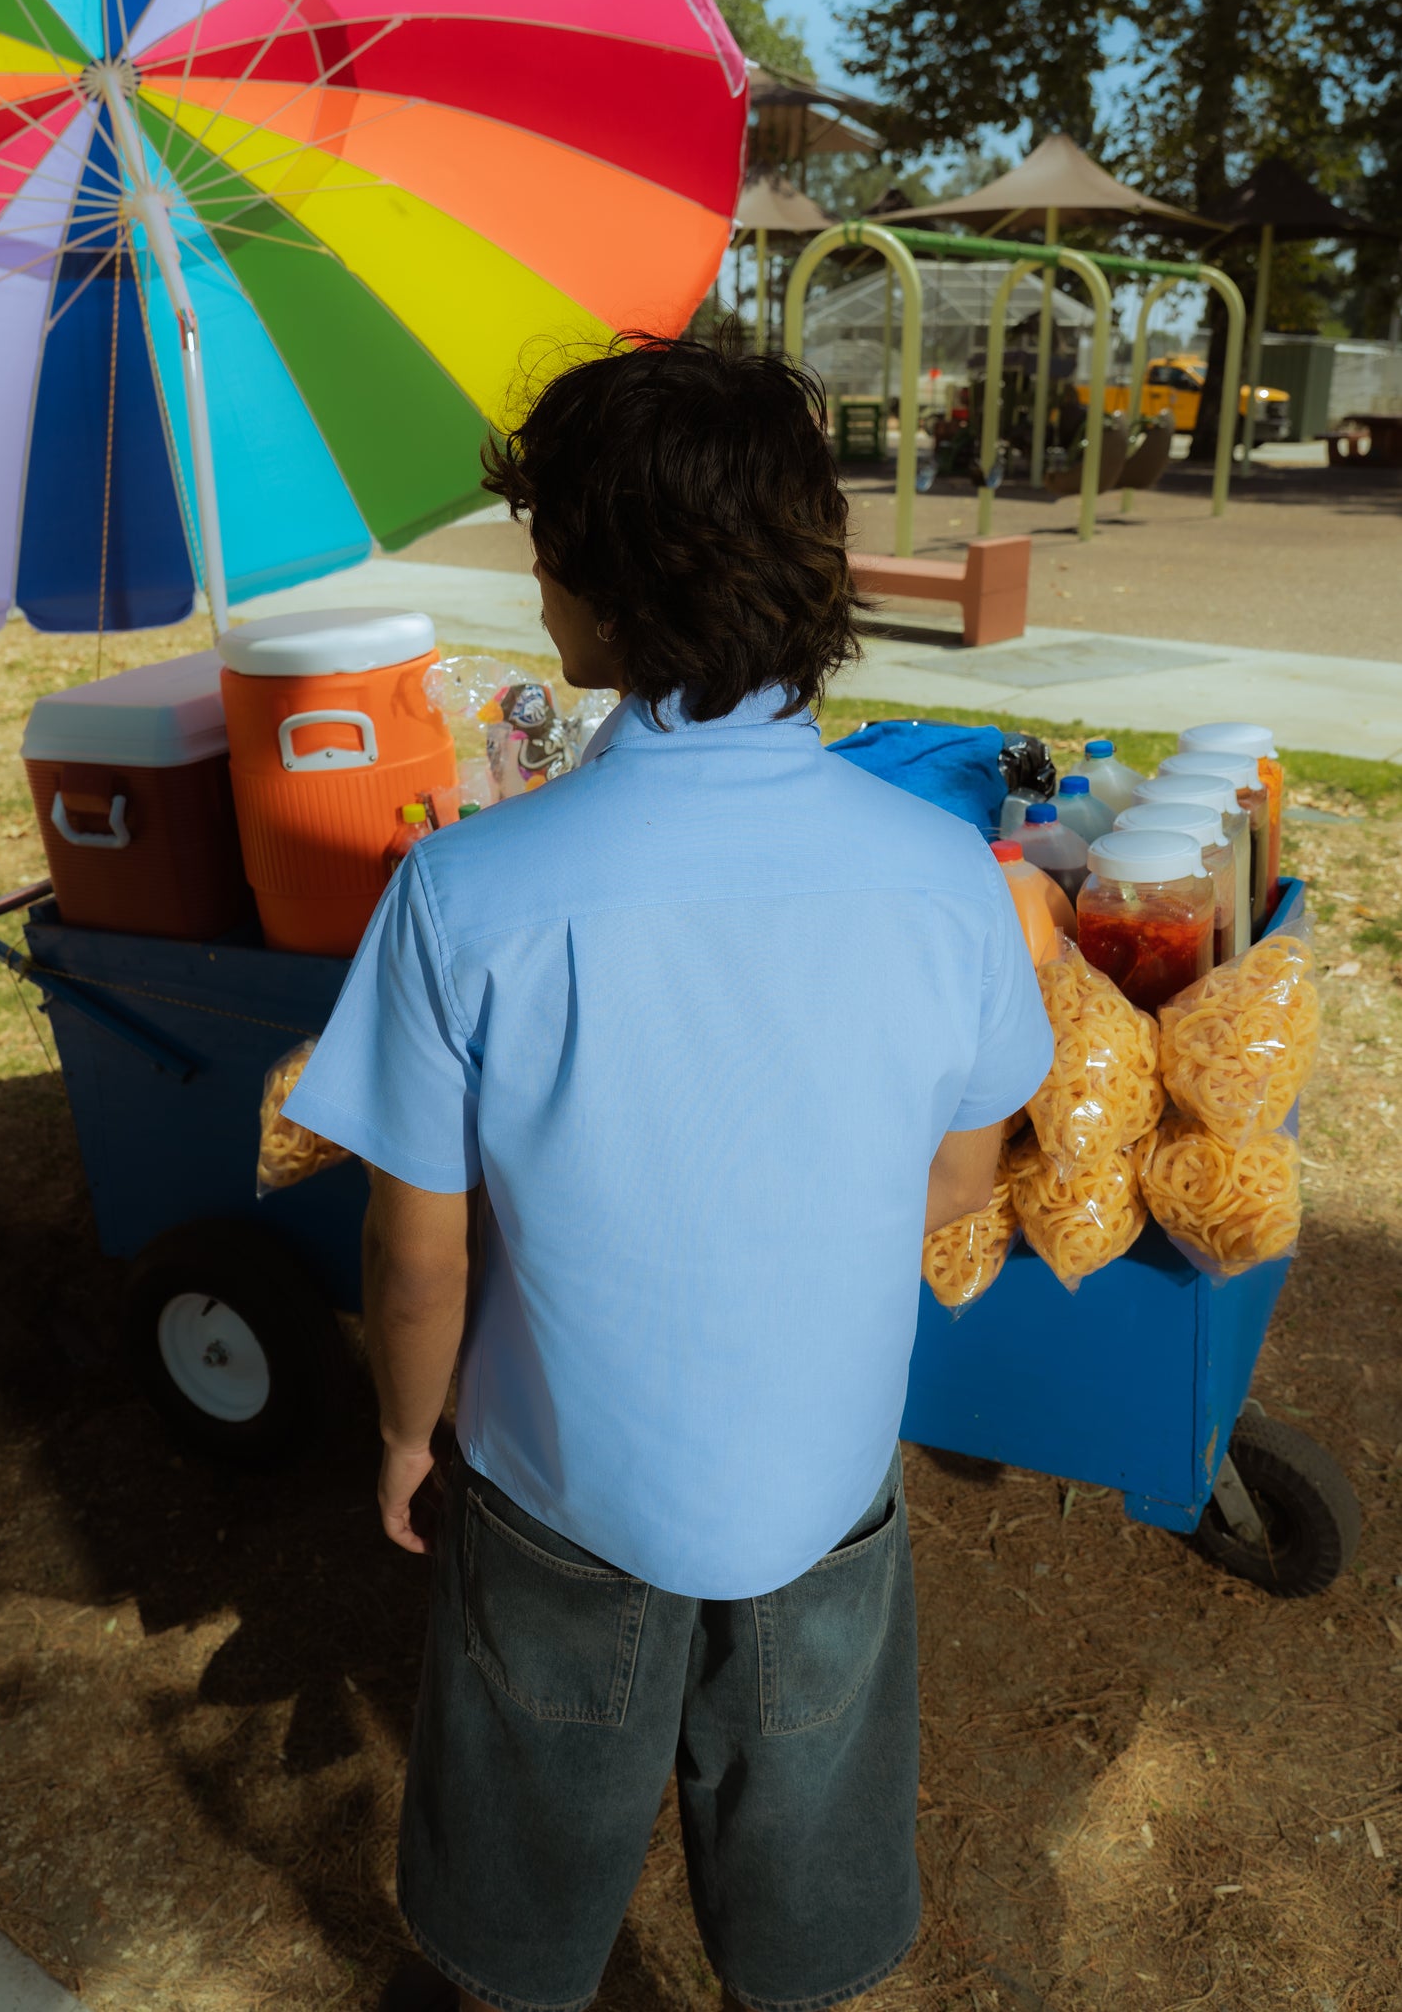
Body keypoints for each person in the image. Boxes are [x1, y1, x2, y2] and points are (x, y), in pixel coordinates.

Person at [286, 334, 1053, 2012]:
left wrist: (410, 1435)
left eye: (546, 545)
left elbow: (420, 1259)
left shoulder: (469, 893)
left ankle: (522, 1972)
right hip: (825, 1477)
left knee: (526, 1837)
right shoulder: (948, 879)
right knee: (807, 1831)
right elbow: (955, 1179)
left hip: (559, 1489)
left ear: (597, 589)